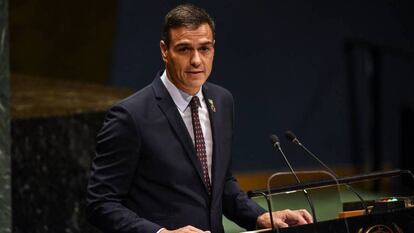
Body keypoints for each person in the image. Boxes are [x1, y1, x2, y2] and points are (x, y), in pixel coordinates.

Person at [86, 4, 312, 233]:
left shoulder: (222, 101)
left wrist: (261, 216)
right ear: (165, 50)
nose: (196, 60)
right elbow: (101, 203)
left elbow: (220, 186)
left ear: (213, 49)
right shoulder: (130, 116)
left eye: (204, 49)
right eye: (184, 49)